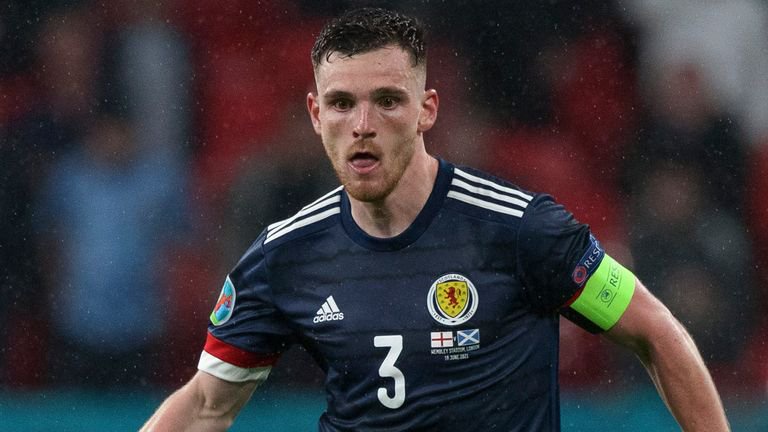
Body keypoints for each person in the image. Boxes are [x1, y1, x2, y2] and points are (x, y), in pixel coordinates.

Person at [142, 8, 729, 431]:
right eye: (342, 104)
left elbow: (655, 331)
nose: (363, 125)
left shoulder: (521, 230)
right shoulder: (283, 256)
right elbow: (205, 405)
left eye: (387, 100)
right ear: (316, 115)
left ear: (426, 111)